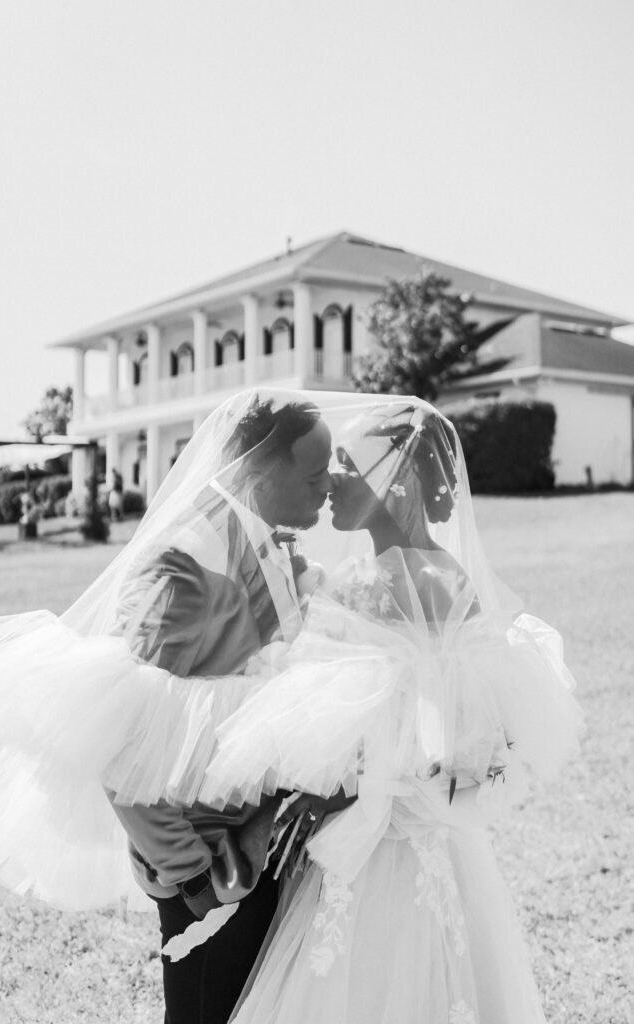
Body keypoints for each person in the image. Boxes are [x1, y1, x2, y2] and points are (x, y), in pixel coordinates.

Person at [0, 390, 346, 1024]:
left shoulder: (266, 539)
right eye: (314, 474)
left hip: (257, 841)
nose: (330, 486)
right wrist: (194, 881)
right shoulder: (183, 564)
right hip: (213, 863)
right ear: (259, 471)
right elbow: (119, 731)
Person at [201, 398, 584, 1024]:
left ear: (396, 482)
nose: (330, 482)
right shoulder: (451, 575)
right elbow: (453, 736)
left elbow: (364, 729)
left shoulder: (368, 585)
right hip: (445, 844)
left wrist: (329, 795)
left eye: (347, 465)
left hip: (376, 851)